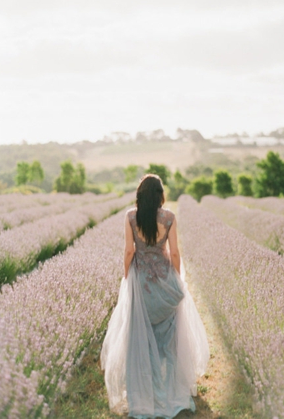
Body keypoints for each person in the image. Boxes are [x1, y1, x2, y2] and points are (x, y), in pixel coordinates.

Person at [100, 174, 209, 417]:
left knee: (140, 335)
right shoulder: (169, 217)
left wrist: (127, 278)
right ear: (160, 195)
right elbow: (176, 253)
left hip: (141, 282)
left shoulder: (131, 216)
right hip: (164, 279)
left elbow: (129, 251)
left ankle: (144, 394)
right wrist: (178, 281)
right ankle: (171, 390)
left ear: (140, 194)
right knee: (169, 340)